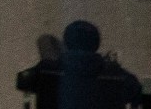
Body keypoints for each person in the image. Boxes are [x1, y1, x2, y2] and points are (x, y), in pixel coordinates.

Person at [16, 20, 144, 107]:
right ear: (96, 44)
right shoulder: (116, 74)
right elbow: (136, 92)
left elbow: (24, 81)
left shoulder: (47, 69)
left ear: (67, 42)